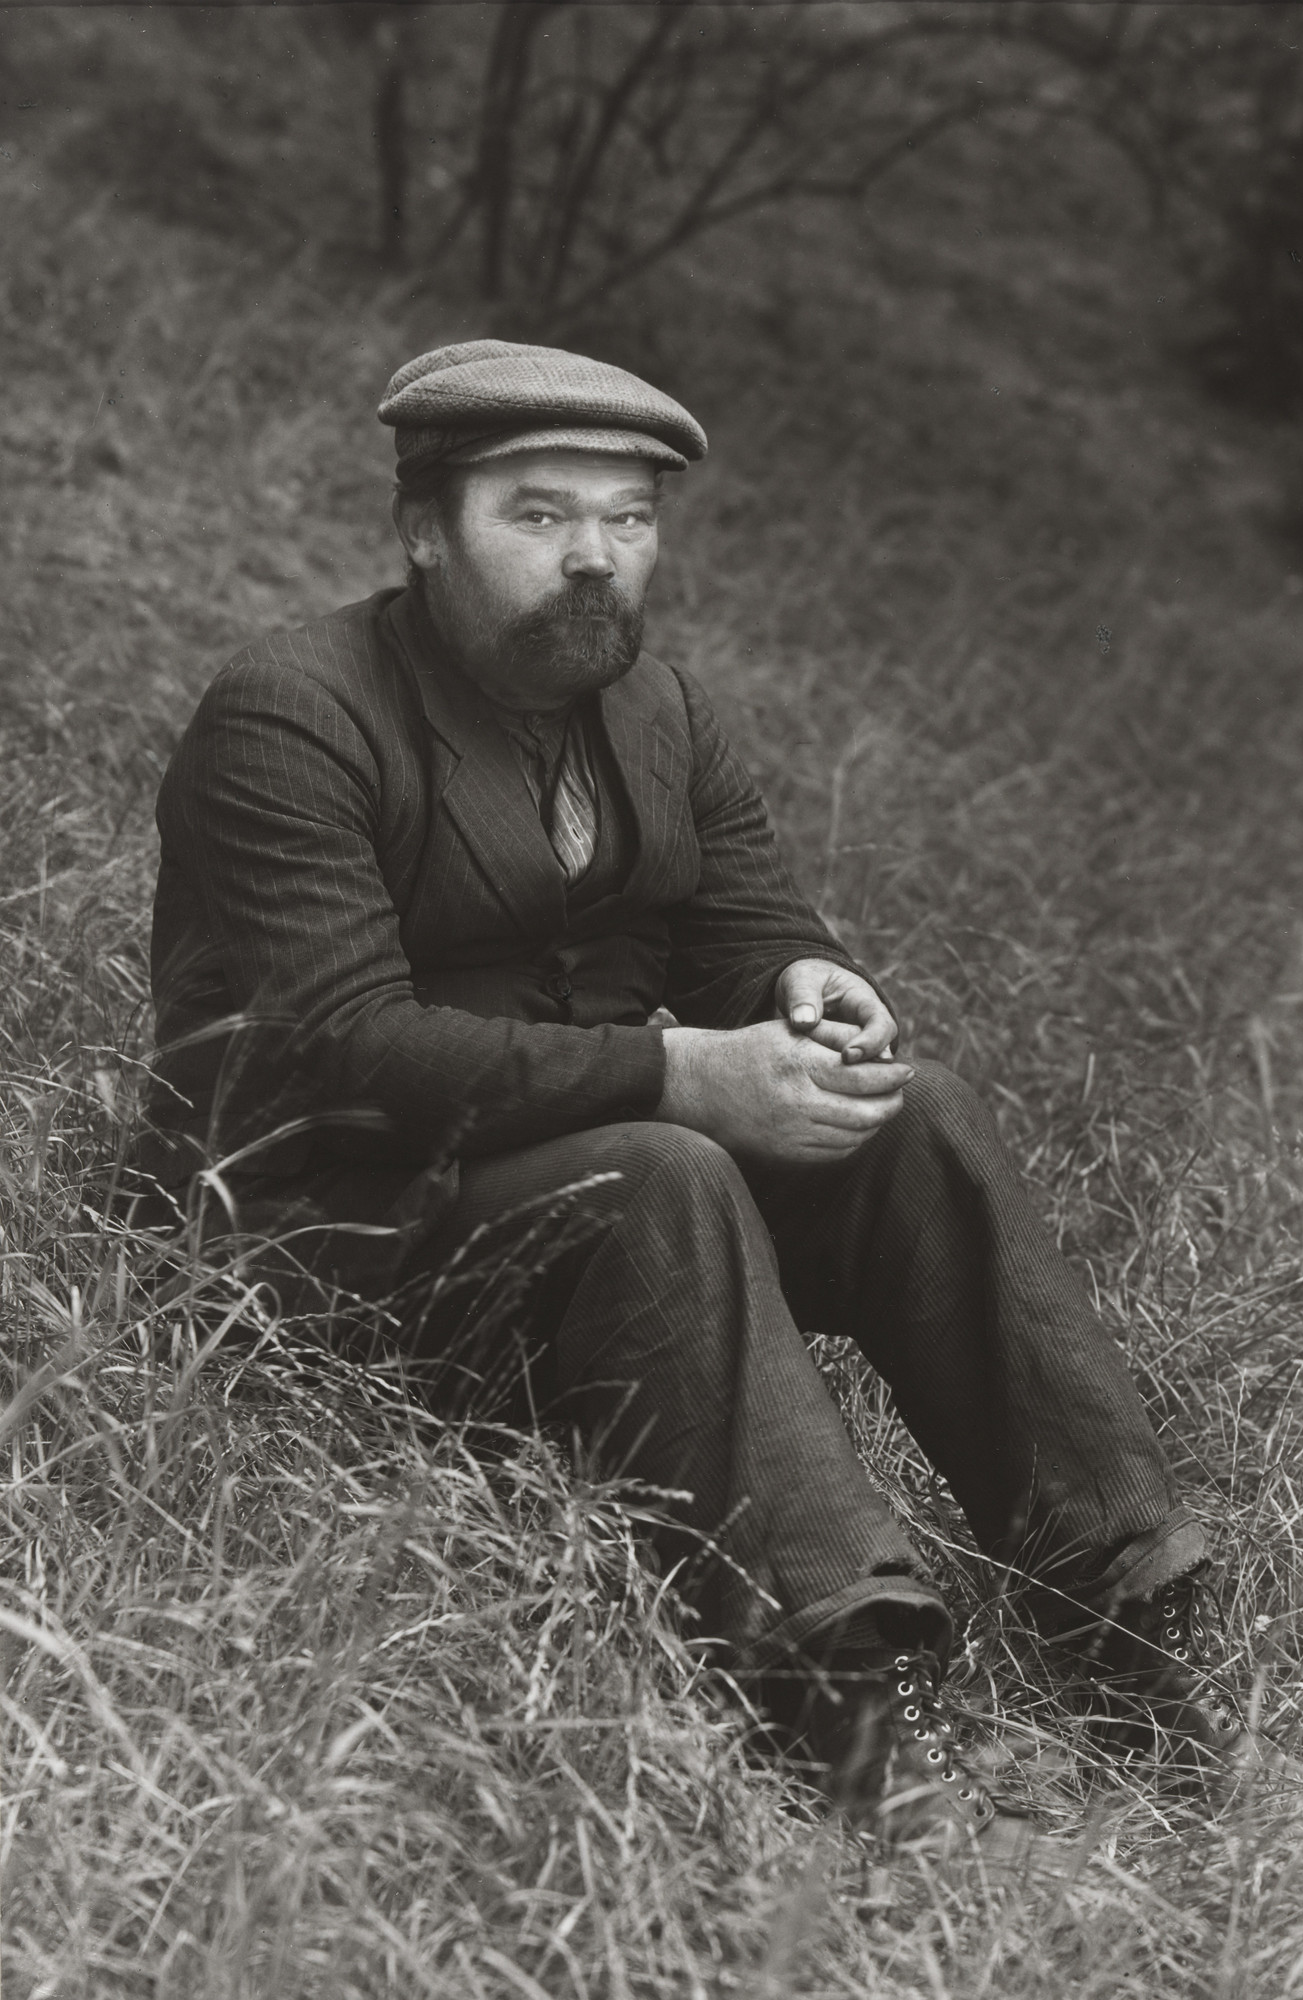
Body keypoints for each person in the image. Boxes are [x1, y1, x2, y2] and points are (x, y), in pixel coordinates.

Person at [140, 339, 1246, 1860]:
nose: (594, 558)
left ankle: (1116, 1608)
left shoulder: (656, 709)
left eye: (628, 518)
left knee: (912, 1109)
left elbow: (746, 932)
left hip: (588, 1200)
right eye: (538, 515)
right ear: (419, 528)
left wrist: (807, 985)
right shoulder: (290, 713)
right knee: (662, 1165)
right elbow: (340, 1050)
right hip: (321, 1230)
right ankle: (839, 1691)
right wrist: (686, 1073)